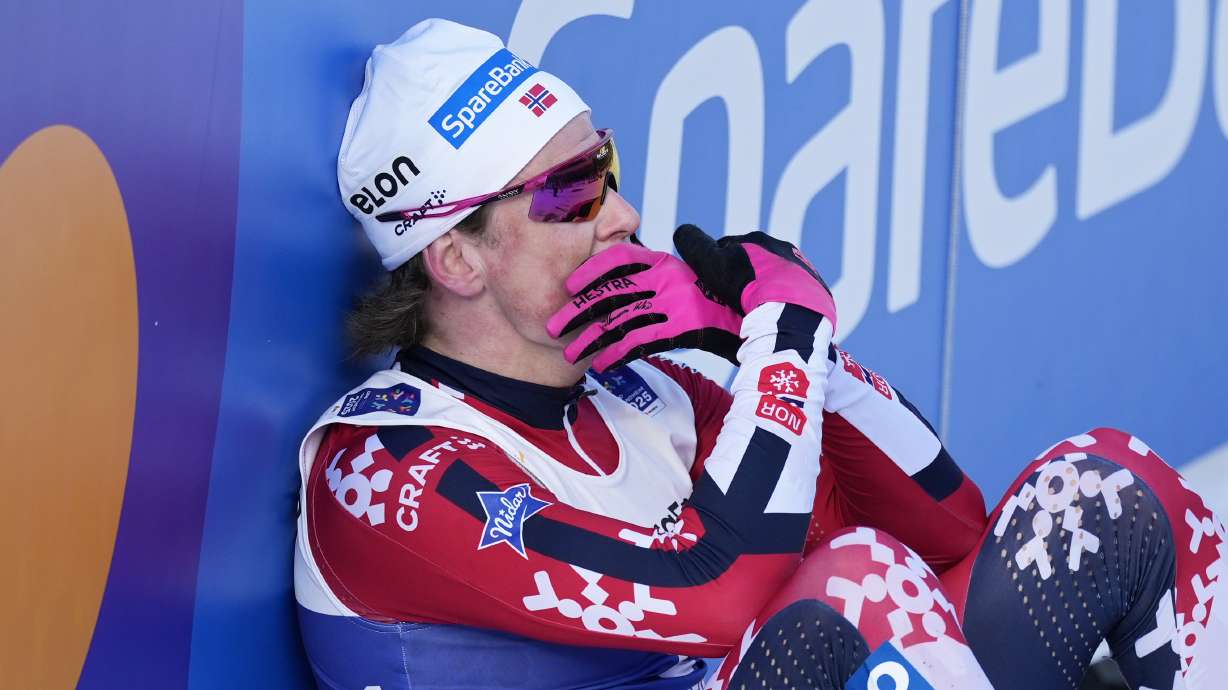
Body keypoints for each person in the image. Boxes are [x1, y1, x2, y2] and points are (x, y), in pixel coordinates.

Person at [294, 18, 1226, 690]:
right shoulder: (382, 471)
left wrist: (760, 340)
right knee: (859, 588)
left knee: (1109, 492)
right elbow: (723, 596)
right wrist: (785, 336)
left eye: (606, 168)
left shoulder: (644, 388)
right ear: (456, 259)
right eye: (570, 194)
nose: (623, 215)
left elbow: (950, 531)